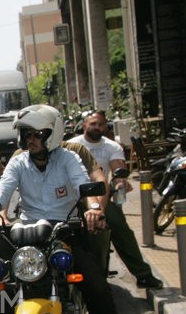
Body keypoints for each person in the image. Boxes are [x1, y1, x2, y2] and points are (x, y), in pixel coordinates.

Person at [0, 104, 148, 314]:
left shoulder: (68, 158)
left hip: (65, 231)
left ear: (52, 134)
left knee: (97, 286)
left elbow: (83, 186)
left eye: (36, 134)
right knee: (5, 291)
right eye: (26, 134)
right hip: (28, 233)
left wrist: (93, 209)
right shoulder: (18, 162)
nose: (30, 140)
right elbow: (1, 192)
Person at [67, 110, 162, 289]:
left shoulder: (112, 147)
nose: (97, 127)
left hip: (100, 196)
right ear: (84, 125)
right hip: (70, 199)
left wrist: (119, 183)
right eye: (93, 124)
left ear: (106, 126)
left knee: (118, 226)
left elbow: (115, 173)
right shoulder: (72, 146)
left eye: (100, 124)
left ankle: (142, 274)